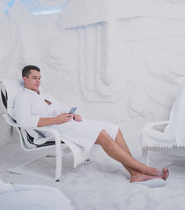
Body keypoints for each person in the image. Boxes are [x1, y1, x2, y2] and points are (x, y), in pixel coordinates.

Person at [13, 65, 169, 187]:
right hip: (52, 130)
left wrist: (71, 113)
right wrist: (56, 120)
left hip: (64, 122)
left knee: (113, 129)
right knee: (101, 134)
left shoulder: (44, 95)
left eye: (40, 78)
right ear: (24, 79)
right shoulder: (23, 98)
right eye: (34, 78)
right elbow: (23, 121)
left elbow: (61, 107)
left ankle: (134, 174)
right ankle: (144, 169)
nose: (38, 81)